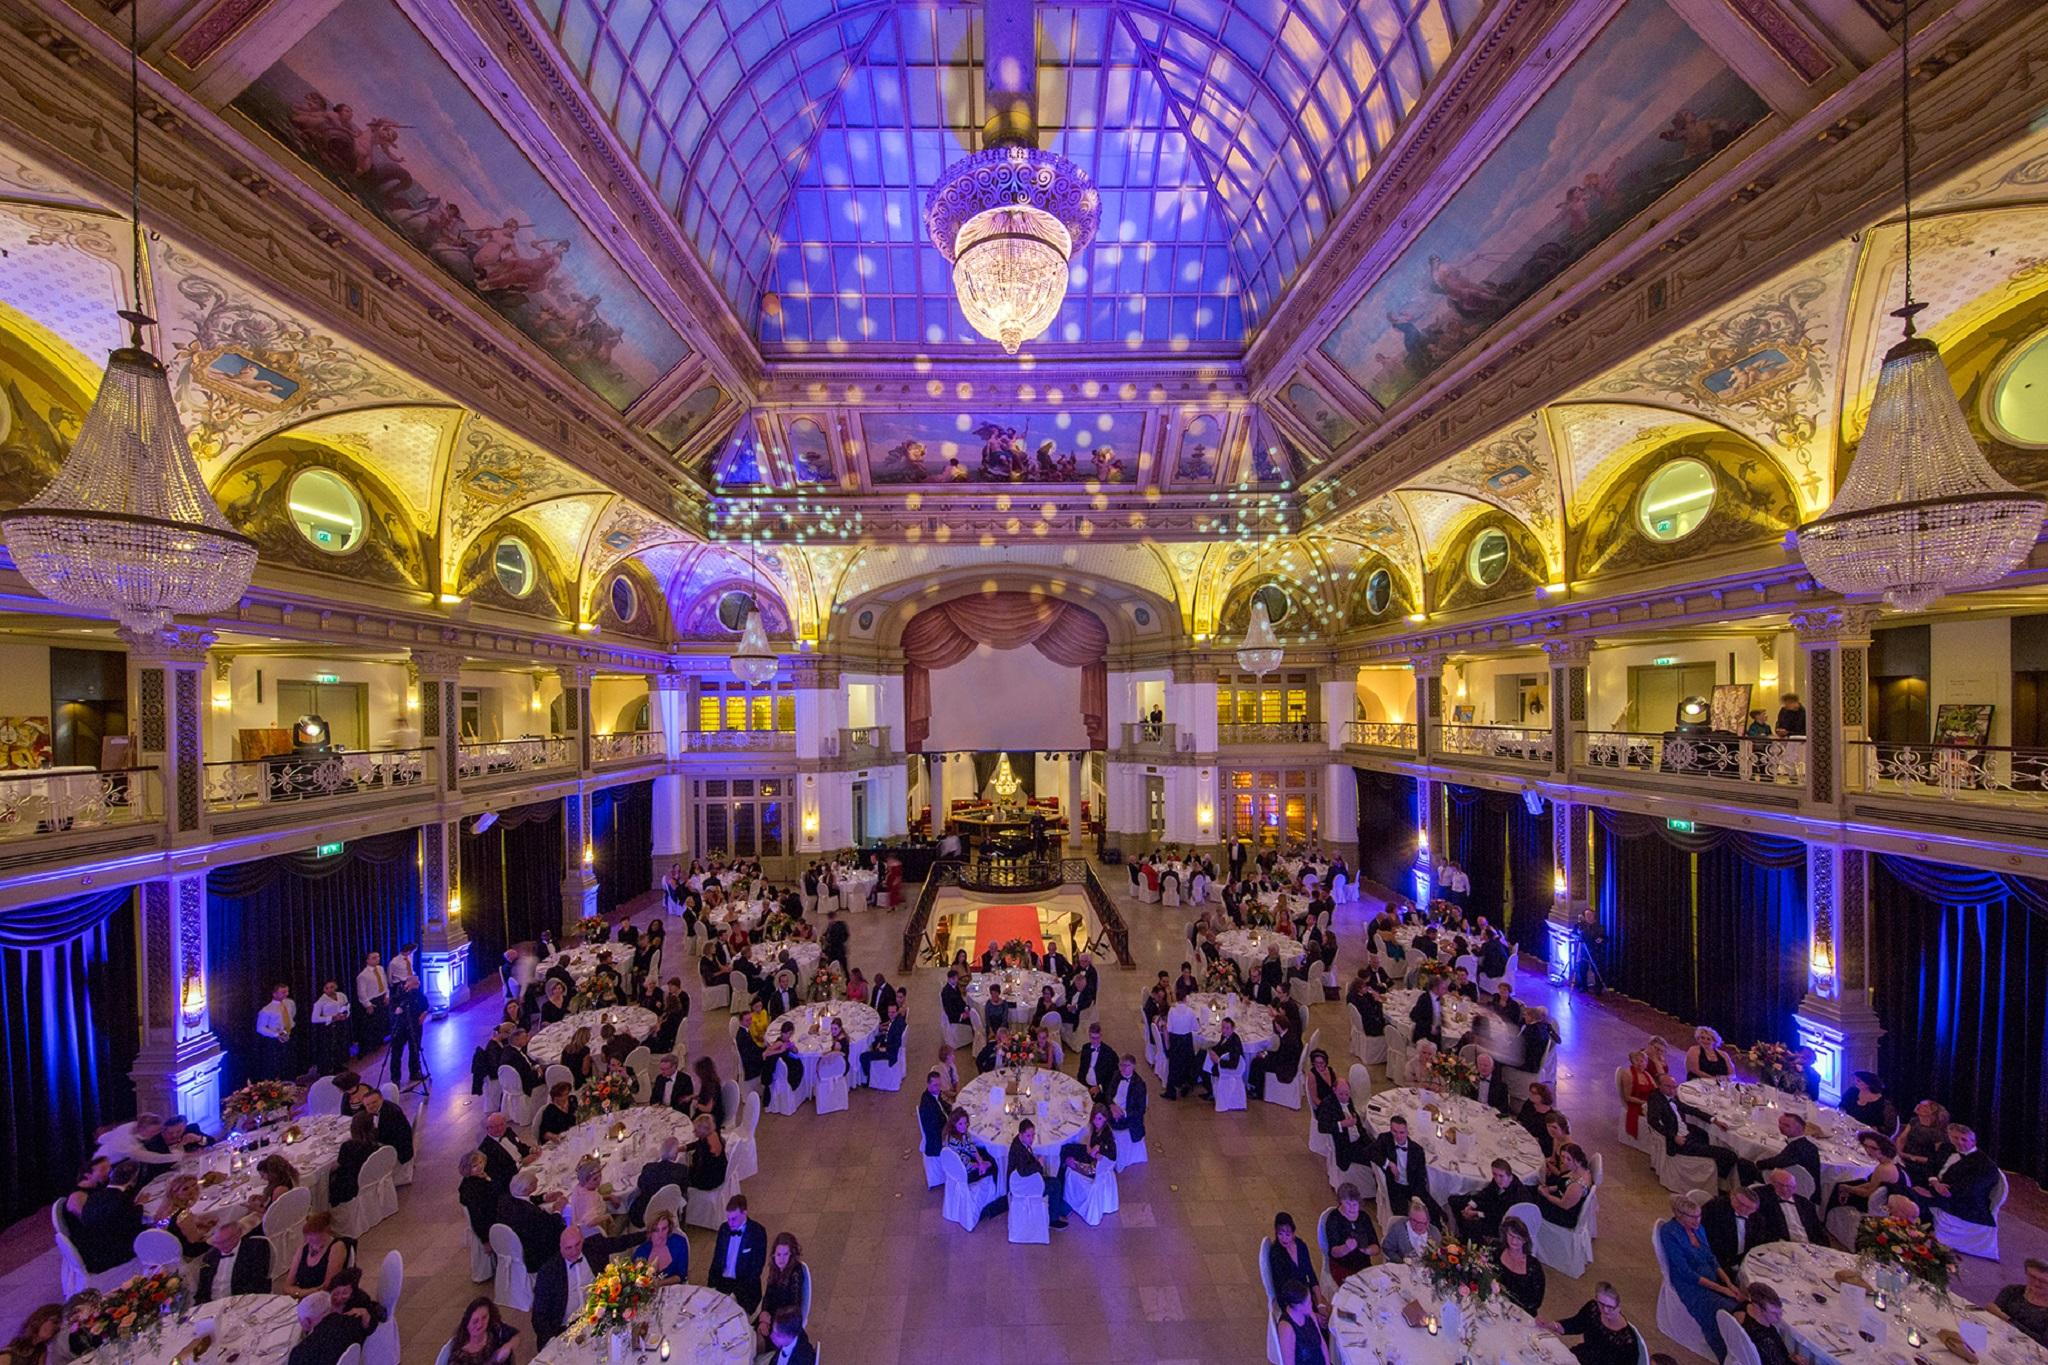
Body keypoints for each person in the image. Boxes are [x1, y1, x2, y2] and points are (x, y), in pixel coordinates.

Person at [1657, 1195, 1745, 1356]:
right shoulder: (1670, 1232)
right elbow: (1686, 1272)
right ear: (1679, 1215)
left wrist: (1729, 1284)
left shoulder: (1699, 1229)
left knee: (1743, 1302)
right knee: (1727, 1310)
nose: (1698, 1220)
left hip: (1711, 1278)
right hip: (1691, 1285)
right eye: (1693, 1217)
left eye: (1699, 1216)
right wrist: (1722, 1289)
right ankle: (1726, 1353)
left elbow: (1711, 1258)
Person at [1646, 1074, 1739, 1179]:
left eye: (1674, 1087)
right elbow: (1653, 1122)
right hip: (1679, 1142)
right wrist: (1673, 1137)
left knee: (1707, 1134)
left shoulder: (1669, 1096)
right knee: (1730, 1155)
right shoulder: (1655, 1099)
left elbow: (1689, 1109)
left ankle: (1713, 1165)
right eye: (1668, 1086)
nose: (1672, 1090)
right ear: (1658, 1085)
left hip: (1684, 1130)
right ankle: (1720, 1181)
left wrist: (1714, 1120)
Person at [62, 1158, 145, 1274]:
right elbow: (97, 1224)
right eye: (103, 1169)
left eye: (109, 1168)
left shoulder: (100, 1190)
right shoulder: (78, 1197)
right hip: (96, 1247)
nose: (109, 1171)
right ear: (87, 1175)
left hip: (104, 1236)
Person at [1538, 1283, 1645, 1365]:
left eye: (1611, 1307)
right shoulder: (1593, 1309)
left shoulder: (1627, 1340)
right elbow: (1575, 1324)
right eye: (1601, 1304)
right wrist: (1551, 1325)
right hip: (1582, 1356)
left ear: (1619, 1306)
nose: (1605, 1310)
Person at [1914, 1122, 1999, 1225]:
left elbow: (1968, 1190)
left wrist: (1933, 1193)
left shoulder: (1985, 1165)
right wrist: (1934, 1182)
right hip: (1935, 1188)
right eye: (1955, 1138)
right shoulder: (1947, 1147)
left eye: (1964, 1139)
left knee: (1910, 1197)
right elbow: (1930, 1165)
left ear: (1973, 1142)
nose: (1959, 1142)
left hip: (1962, 1205)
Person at [708, 1195, 769, 1315]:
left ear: (744, 1213)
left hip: (745, 1288)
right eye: (728, 1218)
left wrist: (734, 1295)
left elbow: (756, 1270)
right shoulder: (724, 1229)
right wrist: (711, 1287)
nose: (730, 1223)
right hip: (723, 1284)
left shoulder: (757, 1232)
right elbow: (716, 1261)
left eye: (734, 1219)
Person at [1370, 1114, 1438, 1218]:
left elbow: (1421, 1177)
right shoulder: (1385, 1139)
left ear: (1407, 1132)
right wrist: (1389, 1163)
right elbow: (1369, 1152)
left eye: (1402, 1132)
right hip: (1395, 1187)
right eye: (1394, 1132)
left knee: (1435, 1211)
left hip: (1413, 1187)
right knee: (1404, 1218)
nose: (1398, 1136)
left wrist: (1416, 1195)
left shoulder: (1417, 1150)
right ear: (1390, 1129)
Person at [1008, 1119, 1071, 1229]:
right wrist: (1039, 1164)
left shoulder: (1019, 1142)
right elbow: (1023, 1171)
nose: (1032, 1139)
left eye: (1033, 1135)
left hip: (1024, 1181)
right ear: (1020, 1134)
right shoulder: (1018, 1149)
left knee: (1053, 1181)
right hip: (1023, 1186)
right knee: (1055, 1184)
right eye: (1028, 1136)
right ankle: (1053, 1219)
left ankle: (1059, 1209)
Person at [1450, 1158, 1529, 1242]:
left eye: (1501, 1176)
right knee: (1454, 1201)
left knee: (1471, 1225)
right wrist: (1470, 1206)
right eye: (1494, 1174)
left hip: (1500, 1222)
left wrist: (1476, 1214)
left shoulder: (1517, 1195)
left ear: (1509, 1176)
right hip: (1490, 1208)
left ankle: (1474, 1242)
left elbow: (1499, 1216)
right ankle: (1464, 1234)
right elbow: (1486, 1193)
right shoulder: (1498, 1180)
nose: (1497, 1179)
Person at [195, 1218, 272, 1303]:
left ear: (239, 1233)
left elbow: (258, 1283)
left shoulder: (256, 1248)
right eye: (218, 1242)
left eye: (227, 1240)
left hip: (241, 1302)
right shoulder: (209, 1257)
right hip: (212, 1305)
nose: (223, 1246)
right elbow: (202, 1291)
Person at [1266, 1213, 1325, 1315]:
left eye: (1287, 1234)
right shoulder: (1276, 1254)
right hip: (1290, 1300)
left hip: (1305, 1294)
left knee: (1326, 1316)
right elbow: (1283, 1287)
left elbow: (1311, 1274)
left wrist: (1320, 1303)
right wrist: (1311, 1313)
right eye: (1280, 1233)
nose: (1284, 1238)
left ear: (1293, 1233)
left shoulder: (1301, 1246)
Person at [756, 1234, 809, 1347]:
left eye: (786, 1254)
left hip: (783, 1321)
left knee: (757, 1342)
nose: (781, 1259)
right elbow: (768, 1295)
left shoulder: (795, 1274)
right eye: (778, 1254)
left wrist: (772, 1324)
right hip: (770, 1314)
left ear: (791, 1255)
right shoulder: (774, 1267)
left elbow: (794, 1307)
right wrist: (764, 1317)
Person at [627, 1136, 692, 1226]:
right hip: (668, 1214)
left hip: (643, 1213)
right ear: (675, 1154)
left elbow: (640, 1185)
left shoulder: (648, 1167)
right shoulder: (682, 1170)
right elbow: (682, 1191)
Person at [1322, 1184, 1379, 1284]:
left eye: (1355, 1204)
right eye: (1348, 1204)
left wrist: (1367, 1250)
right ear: (1340, 1202)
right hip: (1342, 1266)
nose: (1352, 1208)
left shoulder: (1364, 1217)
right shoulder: (1334, 1219)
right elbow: (1334, 1252)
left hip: (1363, 1266)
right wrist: (1346, 1248)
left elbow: (1376, 1248)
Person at [285, 1211, 350, 1298]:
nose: (310, 1242)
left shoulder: (337, 1247)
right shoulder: (302, 1249)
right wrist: (301, 1293)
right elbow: (287, 1286)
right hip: (302, 1296)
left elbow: (327, 1286)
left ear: (326, 1231)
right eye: (309, 1238)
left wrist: (299, 1292)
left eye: (315, 1238)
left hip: (323, 1299)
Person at [1733, 1282, 1799, 1365]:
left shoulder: (1744, 1307)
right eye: (1774, 1313)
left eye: (1780, 1312)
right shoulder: (1765, 1338)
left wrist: (1790, 1357)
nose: (1779, 1317)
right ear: (1757, 1308)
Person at [1701, 1184, 1763, 1272]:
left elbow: (1757, 1242)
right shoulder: (1714, 1208)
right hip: (1718, 1260)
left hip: (1744, 1260)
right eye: (1740, 1203)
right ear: (1732, 1196)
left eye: (1748, 1208)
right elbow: (1710, 1239)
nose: (1743, 1209)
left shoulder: (1757, 1219)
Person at [1314, 1078, 1372, 1172]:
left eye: (1346, 1094)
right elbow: (1322, 1127)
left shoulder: (1348, 1100)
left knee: (1380, 1149)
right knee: (1375, 1159)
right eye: (1341, 1094)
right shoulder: (1327, 1104)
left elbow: (1358, 1125)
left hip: (1359, 1140)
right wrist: (1342, 1124)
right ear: (1334, 1090)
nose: (1344, 1097)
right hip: (1346, 1147)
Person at [1991, 1258, 2048, 1348]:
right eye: (2032, 1277)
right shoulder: (2012, 1291)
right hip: (1997, 1339)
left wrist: (2007, 1319)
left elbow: (2043, 1342)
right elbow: (1992, 1316)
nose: (2036, 1283)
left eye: (2043, 1281)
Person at [443, 1297, 518, 1365]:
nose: (480, 1325)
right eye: (475, 1321)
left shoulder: (494, 1329)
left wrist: (508, 1346)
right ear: (467, 1324)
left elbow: (516, 1335)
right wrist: (492, 1361)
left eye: (484, 1317)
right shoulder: (459, 1357)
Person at [1274, 1278, 1331, 1365]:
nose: (1311, 1305)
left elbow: (1322, 1343)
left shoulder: (1310, 1314)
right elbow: (1289, 1363)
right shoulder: (1287, 1328)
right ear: (1297, 1306)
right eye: (1308, 1303)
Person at [1497, 1216, 1546, 1315]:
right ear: (1505, 1234)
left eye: (1519, 1238)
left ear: (1525, 1240)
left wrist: (1512, 1308)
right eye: (1511, 1236)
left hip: (1521, 1312)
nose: (1514, 1241)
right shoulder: (1497, 1252)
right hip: (1498, 1303)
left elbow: (1536, 1302)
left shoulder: (1533, 1266)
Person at [1537, 1143, 1594, 1228]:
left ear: (1577, 1160)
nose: (1564, 1161)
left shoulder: (1577, 1186)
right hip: (1561, 1197)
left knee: (1532, 1203)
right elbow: (1563, 1185)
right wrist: (1549, 1189)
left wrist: (1547, 1195)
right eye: (1562, 1157)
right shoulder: (1578, 1169)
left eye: (1568, 1159)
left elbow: (1564, 1205)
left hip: (1564, 1215)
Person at [1898, 1099, 1952, 1183]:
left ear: (1932, 1112)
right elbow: (1902, 1139)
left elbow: (1937, 1159)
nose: (1919, 1106)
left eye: (1925, 1106)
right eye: (1919, 1103)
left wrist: (1906, 1156)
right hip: (1904, 1158)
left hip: (1921, 1166)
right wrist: (1898, 1152)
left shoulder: (1937, 1133)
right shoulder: (1914, 1121)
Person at [1248, 1017, 1303, 1097]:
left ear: (1278, 1026)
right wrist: (1266, 1053)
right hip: (1286, 1061)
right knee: (1259, 1059)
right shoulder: (1288, 1033)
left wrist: (1265, 1056)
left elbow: (1280, 1058)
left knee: (1257, 1062)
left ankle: (1257, 1091)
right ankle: (1256, 1086)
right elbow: (1281, 1054)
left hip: (1285, 1067)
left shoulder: (1287, 1040)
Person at [859, 997, 907, 1086]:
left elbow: (896, 1043)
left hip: (890, 1054)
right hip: (889, 1045)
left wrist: (882, 1048)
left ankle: (868, 1078)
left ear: (897, 1012)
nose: (890, 1014)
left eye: (893, 1012)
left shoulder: (897, 1026)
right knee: (874, 1041)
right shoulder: (897, 1020)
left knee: (863, 1056)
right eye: (889, 1012)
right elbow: (889, 1035)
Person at [256, 982, 297, 1080]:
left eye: (287, 991)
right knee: (276, 1063)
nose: (286, 994)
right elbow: (260, 1028)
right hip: (276, 1040)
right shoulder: (267, 1010)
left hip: (290, 1034)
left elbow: (292, 1014)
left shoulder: (290, 1003)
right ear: (274, 994)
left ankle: (290, 1081)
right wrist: (276, 1034)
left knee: (290, 1061)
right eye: (283, 992)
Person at [1106, 1053, 1147, 1146]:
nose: (1123, 1068)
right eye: (1121, 1065)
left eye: (1127, 1065)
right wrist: (1112, 1105)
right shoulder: (1116, 1075)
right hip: (1113, 1107)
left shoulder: (1139, 1084)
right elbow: (1108, 1092)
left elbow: (1141, 1109)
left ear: (1133, 1066)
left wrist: (1122, 1113)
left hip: (1127, 1115)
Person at [1841, 1071, 1900, 1136]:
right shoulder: (1851, 1092)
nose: (1855, 1083)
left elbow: (1889, 1128)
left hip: (1870, 1136)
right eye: (1855, 1080)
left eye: (1858, 1081)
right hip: (1848, 1130)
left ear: (1868, 1084)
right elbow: (1841, 1108)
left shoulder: (1884, 1104)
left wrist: (1870, 1130)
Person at [354, 952, 390, 1054]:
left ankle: (380, 1041)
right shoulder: (363, 976)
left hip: (382, 997)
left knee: (382, 1022)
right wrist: (368, 1005)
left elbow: (384, 983)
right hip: (372, 1000)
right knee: (372, 1024)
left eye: (378, 957)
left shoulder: (380, 969)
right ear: (367, 960)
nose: (377, 959)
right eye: (374, 958)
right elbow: (361, 993)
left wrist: (387, 995)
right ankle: (371, 1047)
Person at [1075, 1023, 1118, 1100]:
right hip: (1085, 1085)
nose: (1095, 1041)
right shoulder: (1085, 1048)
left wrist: (1099, 1087)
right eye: (1092, 1038)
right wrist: (1082, 1085)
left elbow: (1113, 1075)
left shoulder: (1109, 1052)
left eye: (1097, 1038)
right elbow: (1082, 1069)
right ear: (1089, 1036)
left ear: (1101, 1036)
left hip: (1100, 1088)